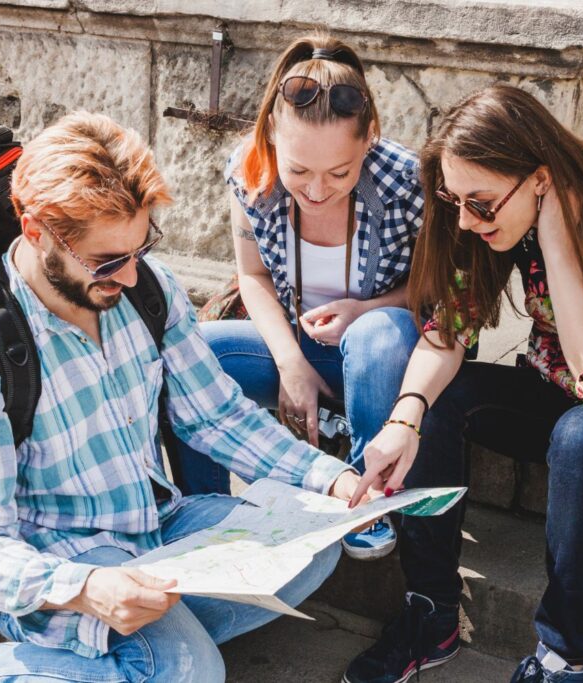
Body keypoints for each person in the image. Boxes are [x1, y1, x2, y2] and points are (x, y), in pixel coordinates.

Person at [0, 111, 364, 682]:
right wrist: (87, 588)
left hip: (158, 524)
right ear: (36, 231)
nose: (128, 277)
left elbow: (217, 416)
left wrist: (330, 478)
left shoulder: (149, 286)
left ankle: (130, 656)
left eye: (140, 247)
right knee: (192, 670)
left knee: (311, 545)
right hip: (60, 562)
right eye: (106, 262)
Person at [342, 84, 583, 683]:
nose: (465, 220)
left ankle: (565, 658)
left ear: (541, 180)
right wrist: (402, 420)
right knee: (440, 402)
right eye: (455, 200)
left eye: (481, 204)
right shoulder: (486, 218)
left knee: (582, 433)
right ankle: (431, 611)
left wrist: (557, 242)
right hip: (561, 398)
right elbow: (448, 332)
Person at [177, 34, 425, 561]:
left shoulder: (406, 180)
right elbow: (253, 277)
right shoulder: (250, 171)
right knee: (193, 353)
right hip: (301, 349)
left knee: (376, 336)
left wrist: (366, 309)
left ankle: (363, 499)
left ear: (369, 139)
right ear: (271, 137)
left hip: (388, 359)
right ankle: (206, 515)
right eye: (298, 171)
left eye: (339, 172)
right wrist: (290, 364)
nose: (315, 190)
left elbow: (440, 290)